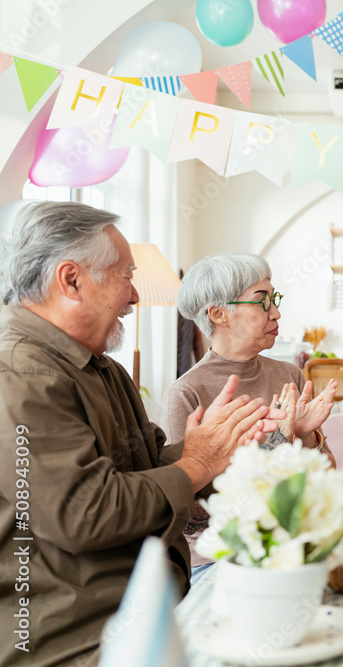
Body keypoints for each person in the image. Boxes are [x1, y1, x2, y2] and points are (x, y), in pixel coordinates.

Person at [0, 202, 282, 667]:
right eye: (125, 275)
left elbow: (151, 464)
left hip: (151, 612)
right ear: (71, 280)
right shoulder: (19, 372)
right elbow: (83, 512)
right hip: (77, 641)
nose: (134, 297)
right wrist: (198, 463)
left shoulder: (101, 369)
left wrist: (225, 448)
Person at [162, 254, 337, 582]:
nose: (276, 312)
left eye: (275, 299)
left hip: (295, 546)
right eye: (262, 302)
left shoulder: (290, 376)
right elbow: (187, 518)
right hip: (221, 559)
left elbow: (325, 476)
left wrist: (306, 436)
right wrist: (280, 441)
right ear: (218, 314)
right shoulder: (186, 393)